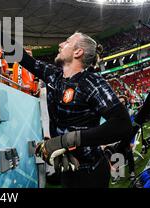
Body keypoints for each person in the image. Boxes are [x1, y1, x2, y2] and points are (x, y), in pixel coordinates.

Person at [20, 32, 133, 188]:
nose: (60, 45)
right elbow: (22, 58)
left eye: (66, 42)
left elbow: (122, 124)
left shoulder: (91, 82)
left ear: (78, 52)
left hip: (91, 173)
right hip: (68, 170)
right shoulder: (55, 76)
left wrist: (67, 140)